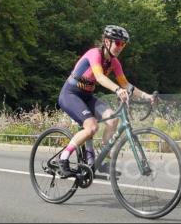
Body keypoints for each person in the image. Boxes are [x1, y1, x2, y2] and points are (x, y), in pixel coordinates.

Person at [55, 25, 157, 178]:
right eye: (117, 43)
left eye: (123, 44)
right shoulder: (94, 54)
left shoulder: (114, 63)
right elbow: (100, 77)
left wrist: (147, 96)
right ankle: (62, 159)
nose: (120, 47)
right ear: (107, 41)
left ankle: (102, 159)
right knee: (91, 127)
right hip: (70, 94)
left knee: (113, 119)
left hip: (87, 97)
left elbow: (126, 85)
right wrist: (117, 90)